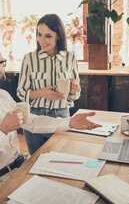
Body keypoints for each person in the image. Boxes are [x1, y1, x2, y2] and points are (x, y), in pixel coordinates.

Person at [0, 42, 100, 197]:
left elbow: (32, 122)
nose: (4, 66)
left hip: (23, 164)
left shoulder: (2, 95)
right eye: (3, 62)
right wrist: (2, 131)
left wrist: (69, 122)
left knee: (74, 181)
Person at [16, 14, 81, 155]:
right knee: (35, 162)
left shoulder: (71, 57)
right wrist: (42, 93)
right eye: (39, 34)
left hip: (61, 116)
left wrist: (74, 91)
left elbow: (76, 93)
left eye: (48, 36)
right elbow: (21, 93)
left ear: (58, 36)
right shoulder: (29, 59)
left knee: (61, 160)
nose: (41, 40)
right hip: (34, 118)